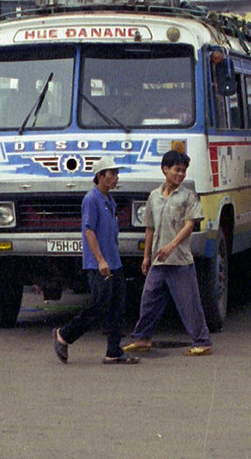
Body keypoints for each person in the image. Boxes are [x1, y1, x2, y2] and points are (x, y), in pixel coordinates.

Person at [123, 150, 213, 356]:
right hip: (158, 261)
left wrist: (171, 246)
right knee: (149, 300)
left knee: (189, 303)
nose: (180, 175)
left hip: (180, 261)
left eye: (183, 171)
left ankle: (203, 341)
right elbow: (149, 228)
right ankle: (142, 338)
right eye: (177, 170)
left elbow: (189, 225)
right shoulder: (154, 197)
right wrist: (146, 256)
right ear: (165, 170)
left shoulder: (187, 197)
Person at [53, 156, 137, 365]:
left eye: (117, 174)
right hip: (99, 264)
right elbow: (89, 231)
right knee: (100, 306)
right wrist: (100, 260)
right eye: (112, 174)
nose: (116, 178)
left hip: (114, 262)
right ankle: (64, 335)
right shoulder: (91, 200)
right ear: (100, 176)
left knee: (117, 307)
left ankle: (114, 351)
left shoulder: (109, 200)